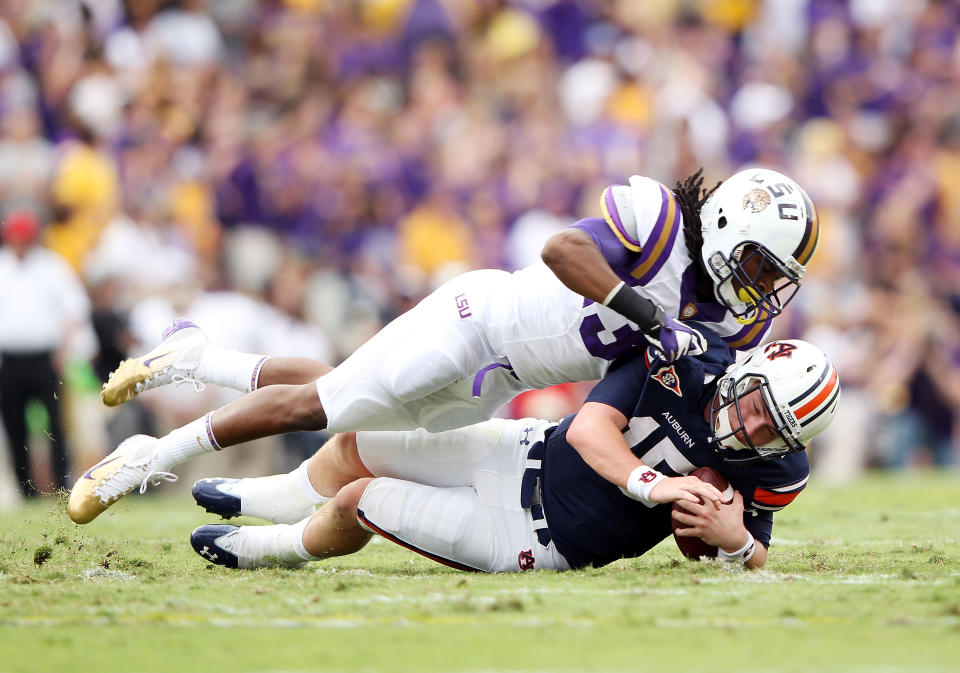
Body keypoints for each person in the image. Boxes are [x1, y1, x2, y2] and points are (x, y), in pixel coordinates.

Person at [68, 167, 820, 524]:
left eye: (773, 276)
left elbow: (694, 380)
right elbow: (563, 250)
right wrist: (651, 319)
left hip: (501, 378)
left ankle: (198, 358)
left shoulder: (734, 323)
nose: (760, 287)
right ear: (724, 225)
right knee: (326, 406)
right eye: (758, 262)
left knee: (349, 393)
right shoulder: (655, 224)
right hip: (475, 320)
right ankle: (146, 458)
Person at [185, 332, 840, 572]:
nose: (751, 430)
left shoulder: (777, 466)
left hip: (532, 535)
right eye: (756, 406)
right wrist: (653, 483)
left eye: (771, 430)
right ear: (746, 373)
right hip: (518, 449)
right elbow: (589, 430)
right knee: (361, 438)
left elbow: (752, 551)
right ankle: (266, 495)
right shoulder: (684, 360)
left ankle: (269, 548)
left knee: (363, 500)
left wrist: (733, 544)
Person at [0, 209, 92, 497]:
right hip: (9, 361)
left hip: (45, 358)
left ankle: (62, 486)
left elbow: (75, 308)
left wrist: (64, 350)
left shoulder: (52, 266)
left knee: (56, 426)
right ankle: (25, 489)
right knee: (15, 427)